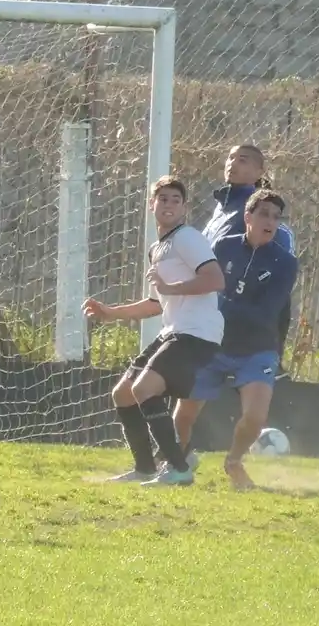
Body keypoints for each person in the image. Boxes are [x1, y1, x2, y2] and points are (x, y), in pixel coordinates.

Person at [84, 175, 225, 487]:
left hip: (197, 333)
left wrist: (169, 287)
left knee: (144, 389)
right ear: (152, 205)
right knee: (123, 394)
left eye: (176, 199)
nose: (169, 204)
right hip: (173, 331)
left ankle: (180, 466)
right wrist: (110, 313)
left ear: (185, 207)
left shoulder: (188, 238)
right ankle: (147, 467)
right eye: (163, 198)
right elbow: (156, 303)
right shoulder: (157, 248)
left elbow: (215, 280)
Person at [181, 190, 299, 490]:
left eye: (276, 217)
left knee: (255, 418)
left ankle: (234, 461)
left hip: (258, 347)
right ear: (247, 217)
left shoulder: (285, 263)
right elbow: (208, 290)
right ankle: (177, 460)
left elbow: (266, 312)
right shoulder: (223, 246)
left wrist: (224, 303)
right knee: (183, 416)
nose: (270, 221)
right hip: (214, 342)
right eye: (263, 214)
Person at [204, 144, 297, 365]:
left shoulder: (259, 210)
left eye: (242, 160)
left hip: (247, 327)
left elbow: (280, 279)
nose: (232, 163)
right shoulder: (223, 206)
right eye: (230, 157)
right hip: (208, 314)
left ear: (260, 172)